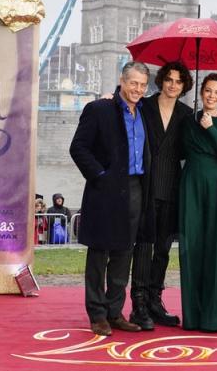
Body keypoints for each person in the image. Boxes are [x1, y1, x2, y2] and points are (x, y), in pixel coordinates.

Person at [69, 61, 154, 337]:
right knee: (99, 254)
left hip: (135, 189)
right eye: (133, 83)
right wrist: (100, 176)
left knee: (124, 254)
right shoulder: (99, 109)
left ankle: (115, 312)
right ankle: (97, 315)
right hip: (105, 189)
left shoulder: (145, 113)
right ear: (122, 81)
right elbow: (78, 147)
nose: (138, 89)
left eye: (142, 85)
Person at [129, 61, 193, 330]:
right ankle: (139, 305)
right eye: (169, 79)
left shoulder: (187, 114)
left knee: (163, 249)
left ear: (184, 85)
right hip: (145, 184)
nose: (173, 85)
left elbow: (191, 150)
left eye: (179, 81)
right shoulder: (143, 106)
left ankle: (156, 301)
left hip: (172, 188)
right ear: (162, 81)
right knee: (144, 246)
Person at [178, 73, 217, 332]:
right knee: (191, 247)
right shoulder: (188, 121)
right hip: (191, 184)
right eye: (208, 91)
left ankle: (214, 318)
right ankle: (193, 316)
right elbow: (182, 150)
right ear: (201, 92)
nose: (212, 96)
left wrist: (211, 129)